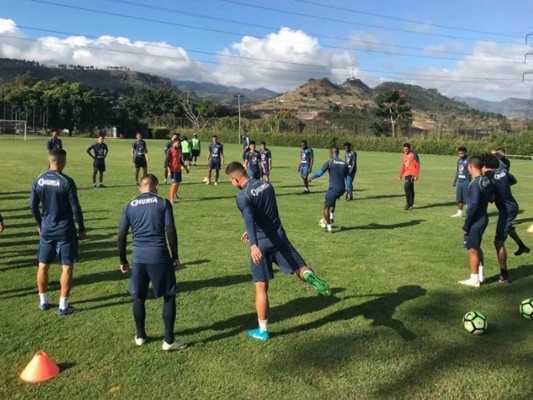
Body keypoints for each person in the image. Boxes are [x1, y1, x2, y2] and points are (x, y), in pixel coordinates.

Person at [226, 162, 331, 341]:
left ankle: (263, 330)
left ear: (235, 179)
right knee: (299, 267)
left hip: (261, 244)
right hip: (279, 237)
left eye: (231, 181)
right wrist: (253, 230)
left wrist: (253, 244)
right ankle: (309, 276)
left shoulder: (242, 196)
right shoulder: (267, 185)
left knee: (261, 287)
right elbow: (265, 214)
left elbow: (249, 217)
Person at [118, 174, 187, 351]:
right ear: (156, 187)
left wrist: (122, 259)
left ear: (140, 187)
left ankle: (140, 336)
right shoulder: (163, 202)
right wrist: (175, 256)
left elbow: (122, 234)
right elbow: (170, 229)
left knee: (139, 296)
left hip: (139, 258)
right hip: (159, 256)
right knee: (169, 295)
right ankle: (169, 341)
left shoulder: (129, 204)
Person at [30, 148, 86, 314]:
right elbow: (75, 207)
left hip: (47, 229)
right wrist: (81, 227)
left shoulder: (38, 180)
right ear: (62, 161)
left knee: (43, 266)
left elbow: (32, 206)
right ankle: (63, 306)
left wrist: (40, 224)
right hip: (65, 231)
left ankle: (43, 302)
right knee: (66, 268)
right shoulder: (66, 181)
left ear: (50, 160)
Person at [484, 154, 530, 283]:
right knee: (508, 227)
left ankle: (504, 275)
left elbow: (491, 199)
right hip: (512, 206)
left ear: (487, 167)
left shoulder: (491, 179)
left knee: (498, 241)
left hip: (507, 210)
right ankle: (522, 246)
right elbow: (513, 180)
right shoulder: (503, 173)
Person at [458, 156, 494, 287]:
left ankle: (474, 279)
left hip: (476, 220)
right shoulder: (486, 181)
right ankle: (481, 275)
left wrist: (466, 224)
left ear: (471, 167)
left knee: (472, 249)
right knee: (477, 247)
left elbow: (473, 205)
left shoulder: (475, 183)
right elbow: (491, 198)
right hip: (483, 217)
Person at [308, 146, 351, 234]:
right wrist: (349, 191)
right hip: (342, 189)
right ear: (338, 153)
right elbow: (349, 178)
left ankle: (329, 228)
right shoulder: (344, 163)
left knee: (326, 207)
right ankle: (331, 217)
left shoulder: (330, 162)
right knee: (332, 201)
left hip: (333, 189)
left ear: (331, 153)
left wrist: (312, 177)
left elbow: (320, 173)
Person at [165, 138, 189, 203]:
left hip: (178, 169)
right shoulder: (169, 150)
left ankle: (175, 194)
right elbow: (166, 162)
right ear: (174, 143)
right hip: (173, 169)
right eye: (178, 143)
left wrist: (186, 168)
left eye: (179, 143)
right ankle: (171, 199)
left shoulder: (179, 150)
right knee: (174, 183)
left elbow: (180, 161)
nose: (179, 144)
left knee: (177, 183)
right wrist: (169, 171)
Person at [398, 143, 420, 210]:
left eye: (407, 149)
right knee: (410, 188)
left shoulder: (414, 154)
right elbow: (403, 166)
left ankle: (408, 204)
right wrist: (400, 175)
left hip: (412, 174)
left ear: (409, 149)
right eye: (404, 149)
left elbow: (418, 165)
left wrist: (416, 175)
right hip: (407, 174)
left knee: (406, 187)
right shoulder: (403, 156)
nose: (405, 150)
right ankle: (411, 204)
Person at [451, 146, 470, 217]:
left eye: (462, 153)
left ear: (465, 153)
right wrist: (454, 181)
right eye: (459, 154)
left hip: (466, 182)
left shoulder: (469, 160)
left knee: (467, 198)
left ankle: (469, 213)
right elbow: (457, 171)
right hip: (460, 182)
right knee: (459, 198)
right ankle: (459, 213)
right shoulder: (459, 161)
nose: (460, 155)